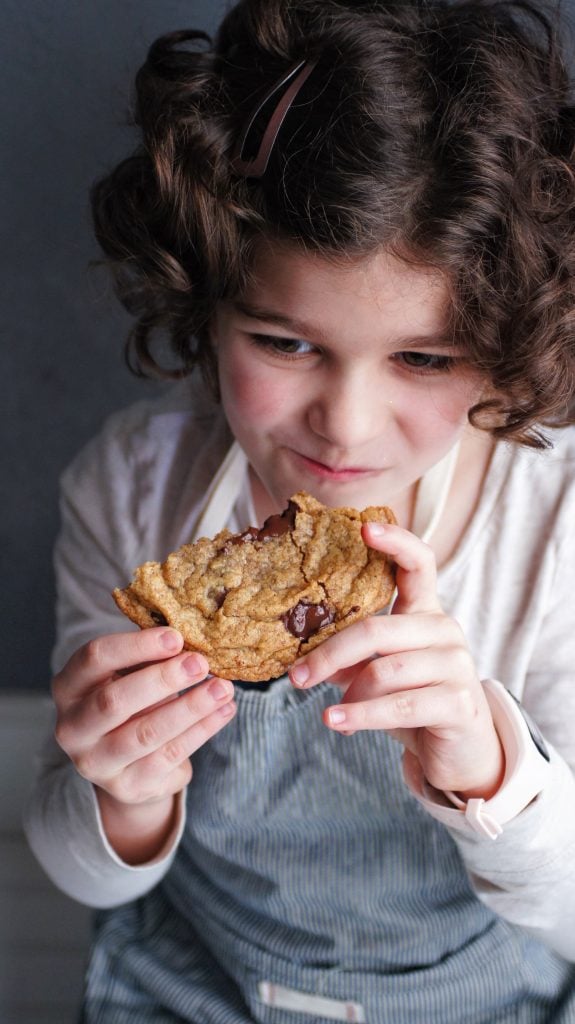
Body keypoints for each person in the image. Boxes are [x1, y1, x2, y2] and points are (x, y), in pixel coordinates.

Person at [24, 0, 575, 1020]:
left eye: (421, 357)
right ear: (207, 306)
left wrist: (490, 768)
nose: (345, 427)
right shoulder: (132, 494)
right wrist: (120, 791)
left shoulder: (553, 528)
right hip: (197, 981)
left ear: (502, 344)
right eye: (284, 342)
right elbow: (80, 875)